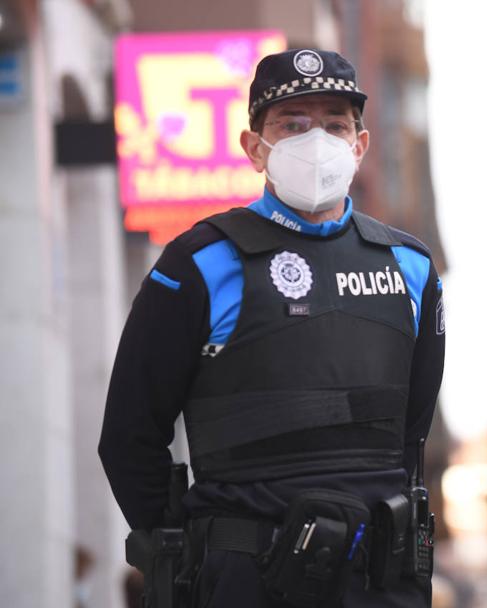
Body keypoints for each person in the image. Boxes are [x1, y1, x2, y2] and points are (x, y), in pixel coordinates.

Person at [99, 49, 445, 607]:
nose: (316, 140)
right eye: (293, 124)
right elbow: (129, 435)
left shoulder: (410, 266)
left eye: (335, 125)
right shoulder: (199, 262)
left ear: (360, 146)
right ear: (254, 147)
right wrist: (187, 550)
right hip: (246, 577)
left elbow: (411, 432)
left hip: (379, 578)